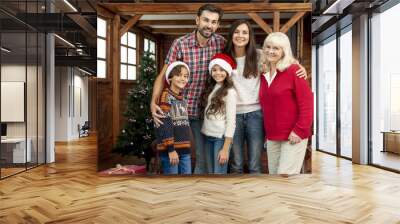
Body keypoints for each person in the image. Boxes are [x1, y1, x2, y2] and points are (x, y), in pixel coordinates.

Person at [224, 20, 307, 174]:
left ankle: (256, 196)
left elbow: (284, 57)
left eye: (244, 32)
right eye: (236, 32)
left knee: (255, 164)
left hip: (255, 114)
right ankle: (237, 196)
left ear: (250, 36)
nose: (240, 36)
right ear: (231, 35)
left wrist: (299, 67)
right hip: (233, 114)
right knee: (236, 163)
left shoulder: (259, 55)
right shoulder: (225, 58)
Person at [151, 4, 225, 174]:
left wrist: (294, 64)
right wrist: (152, 103)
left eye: (214, 22)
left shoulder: (221, 43)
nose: (209, 25)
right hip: (179, 110)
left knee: (201, 156)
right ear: (197, 20)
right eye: (206, 20)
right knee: (174, 153)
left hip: (203, 111)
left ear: (217, 25)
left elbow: (246, 56)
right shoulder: (180, 44)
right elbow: (162, 76)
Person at [259, 32, 313, 175]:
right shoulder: (263, 74)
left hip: (293, 135)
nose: (271, 51)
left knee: (286, 178)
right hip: (272, 136)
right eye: (268, 47)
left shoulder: (294, 71)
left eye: (276, 48)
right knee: (274, 177)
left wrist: (300, 130)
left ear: (284, 50)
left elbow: (307, 104)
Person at [200, 53, 237, 174]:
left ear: (227, 71)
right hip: (207, 136)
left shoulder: (230, 92)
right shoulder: (212, 87)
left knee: (219, 174)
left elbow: (231, 122)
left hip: (220, 139)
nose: (218, 73)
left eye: (221, 69)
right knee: (211, 173)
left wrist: (225, 148)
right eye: (214, 70)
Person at [155, 62, 192, 175]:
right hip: (170, 151)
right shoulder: (166, 96)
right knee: (172, 183)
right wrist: (171, 149)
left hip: (184, 148)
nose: (183, 79)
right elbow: (164, 124)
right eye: (179, 75)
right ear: (170, 77)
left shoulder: (182, 98)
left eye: (186, 76)